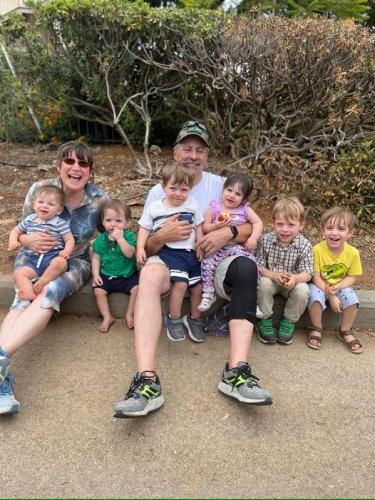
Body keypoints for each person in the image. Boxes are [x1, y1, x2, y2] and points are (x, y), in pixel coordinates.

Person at [114, 120, 272, 418]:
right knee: (148, 275)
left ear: (207, 156)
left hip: (218, 258)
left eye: (200, 150)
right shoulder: (157, 192)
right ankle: (146, 381)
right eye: (187, 148)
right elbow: (146, 248)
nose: (193, 155)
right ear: (175, 154)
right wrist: (162, 236)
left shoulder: (220, 184)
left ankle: (236, 371)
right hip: (170, 259)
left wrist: (228, 233)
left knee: (246, 270)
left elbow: (251, 221)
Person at [0, 141, 107, 415]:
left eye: (83, 164)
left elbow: (110, 235)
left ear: (90, 171)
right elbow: (21, 229)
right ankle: (1, 374)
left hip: (75, 261)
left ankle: (1, 360)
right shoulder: (39, 190)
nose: (76, 168)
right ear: (59, 166)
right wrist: (27, 239)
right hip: (35, 255)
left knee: (51, 289)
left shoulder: (99, 200)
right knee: (22, 299)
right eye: (69, 162)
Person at [136, 163, 204, 341]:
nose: (178, 193)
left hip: (190, 253)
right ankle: (173, 318)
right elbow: (144, 228)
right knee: (180, 284)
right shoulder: (155, 207)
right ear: (163, 186)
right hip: (170, 252)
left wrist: (200, 244)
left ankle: (195, 319)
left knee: (198, 286)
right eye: (173, 188)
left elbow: (198, 226)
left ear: (190, 189)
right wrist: (139, 249)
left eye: (184, 189)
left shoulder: (192, 205)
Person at [198, 173, 263, 312]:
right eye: (229, 190)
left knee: (252, 264)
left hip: (236, 247)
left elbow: (258, 223)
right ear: (223, 190)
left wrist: (253, 238)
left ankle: (252, 298)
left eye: (238, 194)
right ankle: (208, 293)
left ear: (244, 199)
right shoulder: (214, 207)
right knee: (207, 264)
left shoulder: (244, 210)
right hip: (217, 248)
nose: (232, 195)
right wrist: (215, 226)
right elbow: (205, 226)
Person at [256, 197, 314, 345]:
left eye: (291, 225)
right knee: (263, 283)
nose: (285, 229)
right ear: (273, 222)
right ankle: (264, 319)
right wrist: (273, 275)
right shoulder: (265, 240)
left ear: (301, 225)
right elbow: (259, 265)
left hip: (293, 281)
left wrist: (295, 279)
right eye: (280, 224)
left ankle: (289, 321)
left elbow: (308, 272)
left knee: (303, 290)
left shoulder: (304, 244)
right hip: (272, 279)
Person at [306, 207, 363, 353]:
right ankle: (316, 327)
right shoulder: (317, 250)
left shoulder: (353, 253)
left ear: (350, 233)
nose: (334, 232)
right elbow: (315, 276)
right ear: (322, 230)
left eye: (341, 229)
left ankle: (345, 330)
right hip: (319, 284)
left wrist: (337, 287)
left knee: (352, 299)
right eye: (329, 228)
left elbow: (352, 277)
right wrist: (331, 295)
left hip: (340, 285)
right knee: (314, 296)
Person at [8, 185, 75, 301]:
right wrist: (13, 241)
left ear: (59, 210)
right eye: (41, 202)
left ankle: (41, 282)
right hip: (34, 259)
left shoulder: (59, 223)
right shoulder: (29, 220)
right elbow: (16, 231)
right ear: (34, 205)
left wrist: (66, 251)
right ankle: (31, 293)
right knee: (19, 275)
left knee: (61, 263)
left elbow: (69, 239)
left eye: (50, 204)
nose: (44, 205)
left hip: (53, 256)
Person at [92, 199, 139, 333]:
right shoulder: (101, 239)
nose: (113, 224)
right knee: (98, 291)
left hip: (127, 275)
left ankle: (130, 314)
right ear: (103, 222)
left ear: (127, 222)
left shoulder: (129, 236)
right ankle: (107, 317)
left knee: (137, 289)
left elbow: (130, 254)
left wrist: (120, 239)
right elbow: (96, 258)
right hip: (107, 275)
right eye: (109, 220)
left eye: (118, 221)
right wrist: (95, 275)